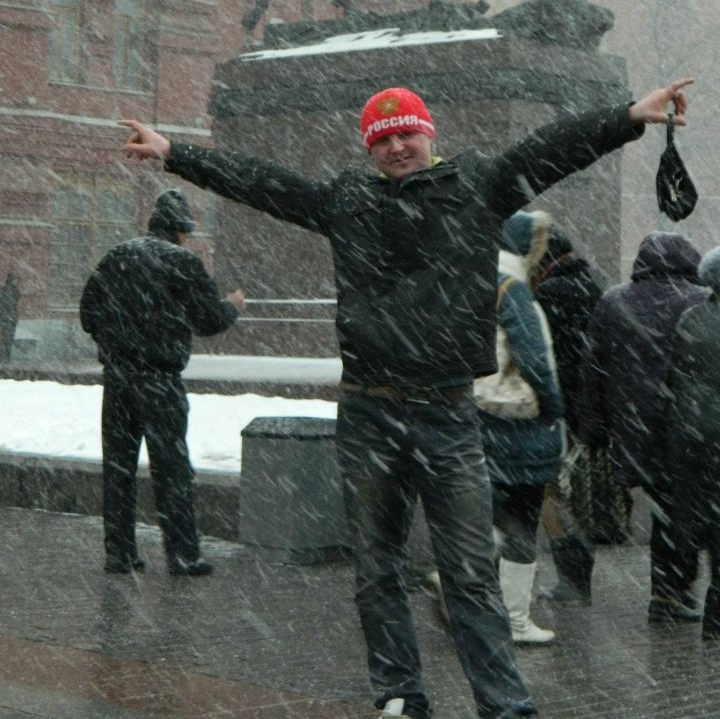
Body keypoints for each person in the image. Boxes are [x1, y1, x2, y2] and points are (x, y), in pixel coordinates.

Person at [121, 77, 691, 719]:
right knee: (377, 566)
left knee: (470, 570)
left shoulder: (479, 185)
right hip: (369, 409)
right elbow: (263, 182)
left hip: (448, 410)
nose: (397, 147)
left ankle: (504, 704)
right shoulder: (348, 200)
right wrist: (176, 152)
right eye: (383, 139)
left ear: (429, 134)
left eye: (406, 134)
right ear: (370, 148)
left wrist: (628, 117)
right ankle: (399, 693)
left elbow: (548, 150)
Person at [80, 188, 245, 577]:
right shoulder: (182, 262)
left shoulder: (116, 256)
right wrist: (232, 307)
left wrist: (116, 341)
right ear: (181, 230)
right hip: (160, 382)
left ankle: (119, 554)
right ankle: (183, 555)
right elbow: (208, 321)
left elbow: (88, 313)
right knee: (172, 470)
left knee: (118, 468)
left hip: (117, 381)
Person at [580, 229, 707, 622]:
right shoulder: (700, 301)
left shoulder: (614, 301)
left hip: (635, 427)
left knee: (665, 509)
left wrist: (590, 425)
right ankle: (673, 591)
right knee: (688, 510)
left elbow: (592, 369)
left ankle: (668, 592)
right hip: (690, 426)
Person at [482, 209, 564, 645]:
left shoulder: (475, 279)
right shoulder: (513, 289)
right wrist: (555, 407)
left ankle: (475, 607)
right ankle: (514, 618)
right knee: (521, 520)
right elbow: (535, 359)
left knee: (488, 512)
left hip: (479, 419)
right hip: (519, 424)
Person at [532, 225, 606, 605]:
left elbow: (543, 357)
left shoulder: (548, 293)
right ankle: (580, 582)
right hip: (590, 410)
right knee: (580, 495)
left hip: (558, 410)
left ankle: (571, 583)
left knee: (554, 496)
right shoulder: (592, 284)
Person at [664, 246, 720, 639]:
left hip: (689, 433)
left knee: (698, 515)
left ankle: (685, 590)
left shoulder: (690, 317)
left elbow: (673, 376)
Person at [0, 269, 21, 361]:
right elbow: (7, 305)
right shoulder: (8, 290)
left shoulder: (11, 290)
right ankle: (5, 357)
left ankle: (6, 357)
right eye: (15, 279)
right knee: (7, 339)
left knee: (8, 339)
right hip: (7, 318)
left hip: (9, 318)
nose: (17, 281)